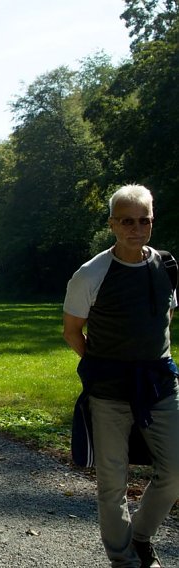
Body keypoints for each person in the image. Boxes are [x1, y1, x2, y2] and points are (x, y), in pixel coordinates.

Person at [62, 184, 179, 568]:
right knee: (111, 483)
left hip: (160, 383)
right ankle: (123, 560)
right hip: (109, 390)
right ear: (112, 223)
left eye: (143, 220)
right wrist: (101, 364)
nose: (136, 228)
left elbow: (165, 316)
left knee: (175, 469)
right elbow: (72, 331)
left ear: (151, 221)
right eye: (126, 220)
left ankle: (141, 537)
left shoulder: (167, 266)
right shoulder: (91, 274)